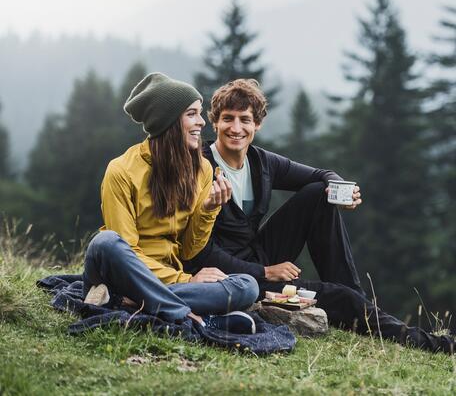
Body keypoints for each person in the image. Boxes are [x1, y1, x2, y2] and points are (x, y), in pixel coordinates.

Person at [184, 78, 455, 353]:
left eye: (245, 119)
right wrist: (265, 271)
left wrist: (343, 192)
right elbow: (199, 253)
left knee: (318, 193)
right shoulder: (199, 165)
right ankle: (434, 344)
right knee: (341, 299)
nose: (236, 128)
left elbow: (321, 175)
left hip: (256, 253)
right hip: (227, 274)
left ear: (257, 125)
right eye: (228, 119)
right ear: (215, 122)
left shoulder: (260, 161)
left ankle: (357, 302)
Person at [82, 73, 259, 334]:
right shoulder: (121, 171)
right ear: (168, 121)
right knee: (105, 242)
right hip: (126, 276)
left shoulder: (201, 169)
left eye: (200, 113)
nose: (201, 122)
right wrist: (185, 279)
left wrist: (208, 211)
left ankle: (135, 304)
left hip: (168, 283)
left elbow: (187, 252)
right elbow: (126, 251)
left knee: (247, 286)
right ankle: (195, 319)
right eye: (192, 114)